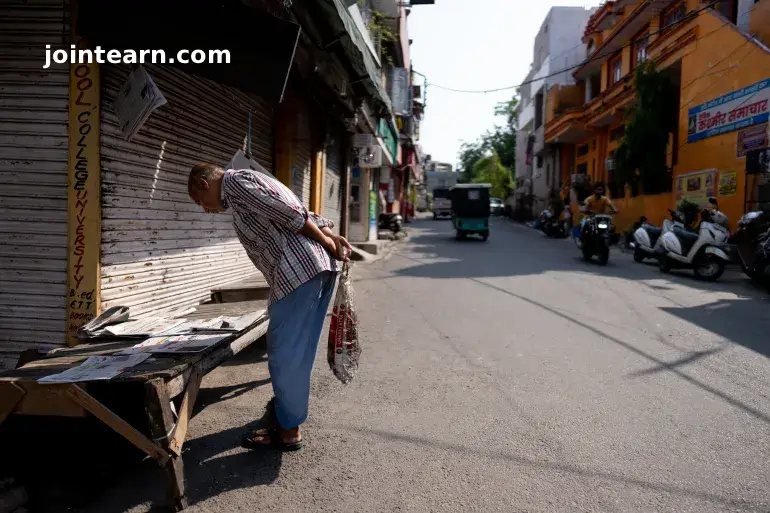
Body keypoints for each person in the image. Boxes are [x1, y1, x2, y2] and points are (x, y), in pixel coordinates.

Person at [187, 163, 352, 451]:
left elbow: (287, 213)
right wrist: (328, 234)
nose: (205, 209)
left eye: (200, 201)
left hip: (299, 271)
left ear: (203, 183)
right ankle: (285, 415)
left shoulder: (235, 183)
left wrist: (325, 238)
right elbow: (292, 208)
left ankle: (288, 432)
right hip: (310, 270)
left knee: (284, 352)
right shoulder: (244, 185)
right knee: (295, 351)